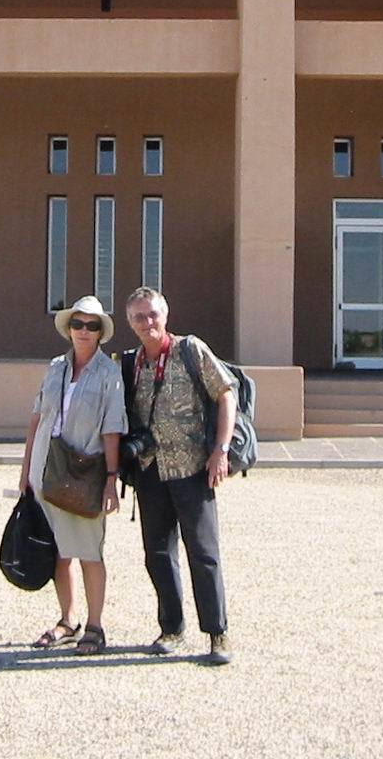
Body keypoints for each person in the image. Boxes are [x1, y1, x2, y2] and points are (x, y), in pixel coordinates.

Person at [121, 285, 237, 666]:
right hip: (150, 470)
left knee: (203, 552)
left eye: (153, 314)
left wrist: (221, 450)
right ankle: (171, 627)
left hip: (192, 468)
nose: (148, 322)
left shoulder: (190, 350)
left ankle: (217, 633)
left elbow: (226, 393)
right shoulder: (130, 363)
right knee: (157, 553)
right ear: (130, 323)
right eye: (139, 317)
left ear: (165, 315)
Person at [18, 295, 127, 656]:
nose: (83, 331)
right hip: (45, 469)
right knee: (57, 552)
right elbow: (37, 418)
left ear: (100, 332)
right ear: (69, 328)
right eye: (78, 324)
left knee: (88, 550)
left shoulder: (109, 373)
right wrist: (25, 471)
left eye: (91, 325)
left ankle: (95, 625)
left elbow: (112, 429)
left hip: (83, 474)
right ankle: (68, 620)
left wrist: (111, 479)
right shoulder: (55, 368)